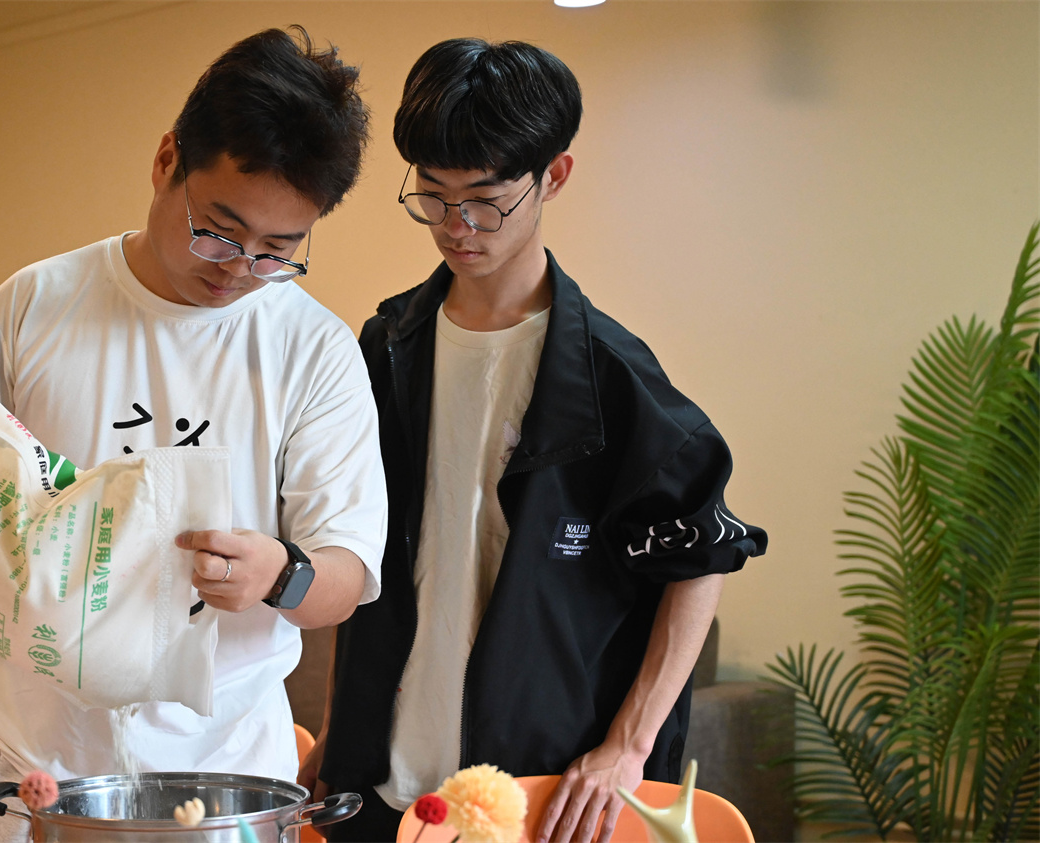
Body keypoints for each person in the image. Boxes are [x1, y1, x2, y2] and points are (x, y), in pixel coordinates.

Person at [0, 27, 386, 841]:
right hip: (42, 763)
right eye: (218, 230)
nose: (237, 267)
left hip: (231, 773)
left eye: (276, 252)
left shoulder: (312, 348)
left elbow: (344, 577)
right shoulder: (35, 305)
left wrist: (278, 573)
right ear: (167, 159)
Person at [302, 38, 767, 843]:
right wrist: (340, 724)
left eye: (486, 199)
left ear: (554, 175)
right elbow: (364, 553)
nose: (457, 226)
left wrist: (628, 747)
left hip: (532, 790)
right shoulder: (386, 347)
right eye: (433, 196)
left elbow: (702, 556)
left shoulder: (609, 376)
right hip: (379, 782)